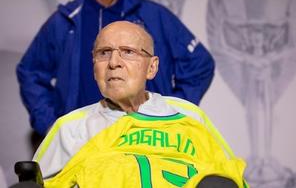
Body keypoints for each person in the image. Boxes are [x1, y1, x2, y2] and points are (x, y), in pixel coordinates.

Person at [16, 0, 215, 136]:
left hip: (143, 140)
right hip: (82, 144)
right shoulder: (65, 21)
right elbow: (30, 72)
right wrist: (51, 125)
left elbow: (200, 65)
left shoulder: (154, 16)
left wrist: (171, 114)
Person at [32, 21, 247, 187]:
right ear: (94, 66)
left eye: (128, 52)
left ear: (152, 68)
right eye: (104, 53)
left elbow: (229, 180)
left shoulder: (189, 116)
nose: (114, 63)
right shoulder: (70, 128)